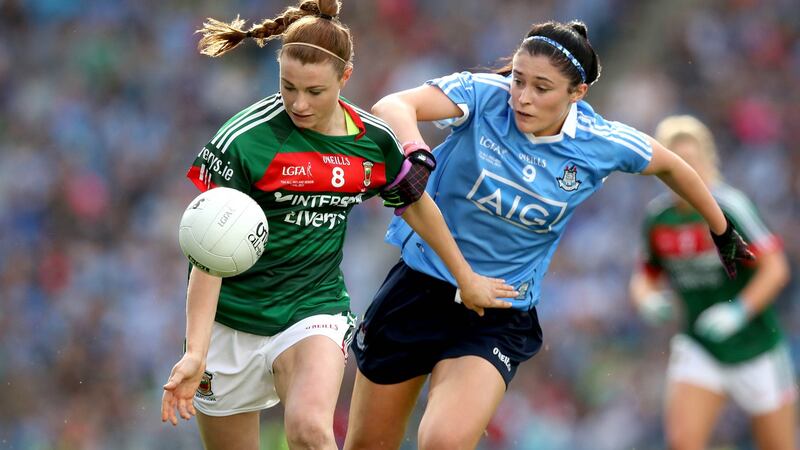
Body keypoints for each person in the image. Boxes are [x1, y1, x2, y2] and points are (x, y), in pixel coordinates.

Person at [345, 20, 754, 450]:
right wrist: (415, 154)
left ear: (577, 94)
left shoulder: (600, 141)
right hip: (418, 289)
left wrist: (721, 228)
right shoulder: (485, 95)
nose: (522, 97)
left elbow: (672, 165)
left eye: (542, 88)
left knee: (443, 441)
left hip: (498, 313)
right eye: (519, 80)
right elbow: (393, 105)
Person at [159, 1, 515, 449]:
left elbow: (417, 205)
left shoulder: (372, 141)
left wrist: (466, 277)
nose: (299, 103)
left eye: (315, 91)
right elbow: (208, 254)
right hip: (233, 320)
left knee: (310, 431)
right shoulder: (245, 141)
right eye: (288, 87)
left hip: (313, 309)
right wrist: (195, 350)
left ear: (345, 78)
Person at [629, 115, 797, 450]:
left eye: (693, 162)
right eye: (676, 164)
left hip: (756, 348)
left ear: (709, 160)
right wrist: (646, 301)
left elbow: (775, 269)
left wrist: (739, 311)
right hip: (700, 345)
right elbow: (645, 276)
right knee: (683, 442)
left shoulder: (730, 207)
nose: (685, 173)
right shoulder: (659, 218)